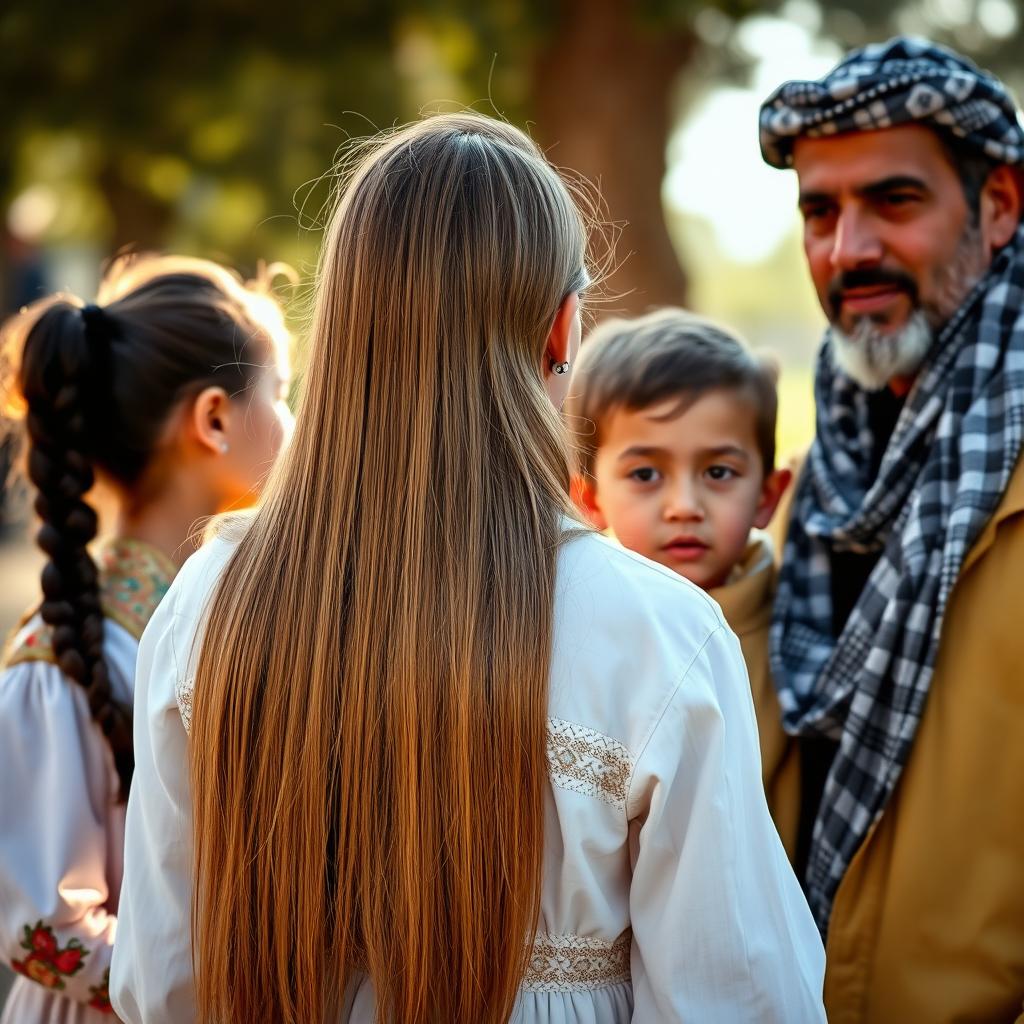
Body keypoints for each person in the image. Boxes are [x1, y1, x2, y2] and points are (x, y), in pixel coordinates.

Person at [110, 113, 825, 1024]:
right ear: (562, 328)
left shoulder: (205, 606)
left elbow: (160, 982)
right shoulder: (659, 635)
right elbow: (738, 999)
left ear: (343, 327)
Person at [759, 36, 1024, 1022]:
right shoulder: (814, 472)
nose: (848, 250)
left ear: (998, 205)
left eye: (894, 202)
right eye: (820, 212)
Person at [0, 254, 293, 1023]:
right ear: (215, 420)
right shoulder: (60, 662)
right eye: (283, 393)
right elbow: (40, 930)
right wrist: (205, 987)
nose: (298, 426)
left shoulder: (247, 623)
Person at [565, 309, 798, 850]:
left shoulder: (799, 625)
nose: (684, 507)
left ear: (767, 494)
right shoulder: (577, 635)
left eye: (718, 473)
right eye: (646, 474)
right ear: (589, 497)